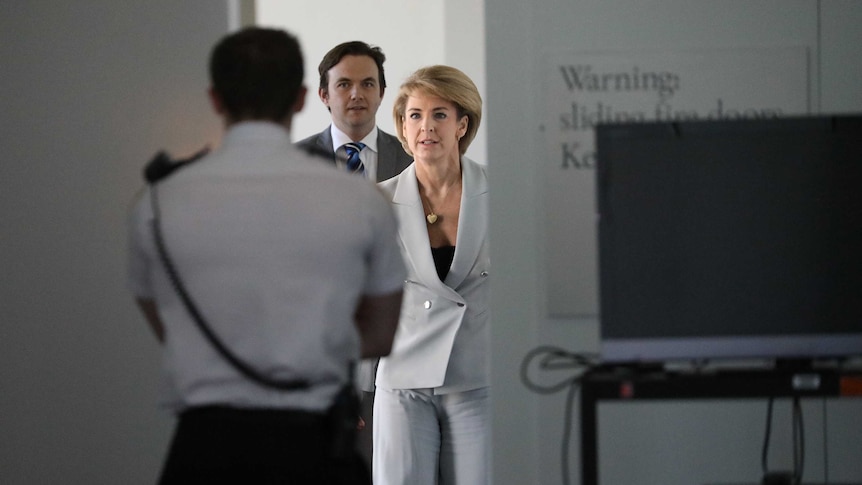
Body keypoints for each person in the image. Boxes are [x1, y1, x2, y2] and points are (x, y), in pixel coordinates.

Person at [126, 27, 405, 484]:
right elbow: (378, 335)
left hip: (203, 447)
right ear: (300, 99)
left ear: (215, 99)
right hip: (316, 446)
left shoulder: (156, 202)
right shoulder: (361, 201)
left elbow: (167, 321)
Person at [372, 65, 490, 485]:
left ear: (462, 124)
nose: (426, 127)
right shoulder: (378, 202)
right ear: (403, 127)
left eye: (440, 114)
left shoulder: (499, 194)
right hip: (403, 377)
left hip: (477, 378)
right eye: (415, 115)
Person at [296, 40, 412, 182]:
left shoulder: (410, 156)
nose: (357, 95)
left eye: (367, 84)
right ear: (324, 95)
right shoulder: (296, 159)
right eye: (344, 84)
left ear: (381, 93)